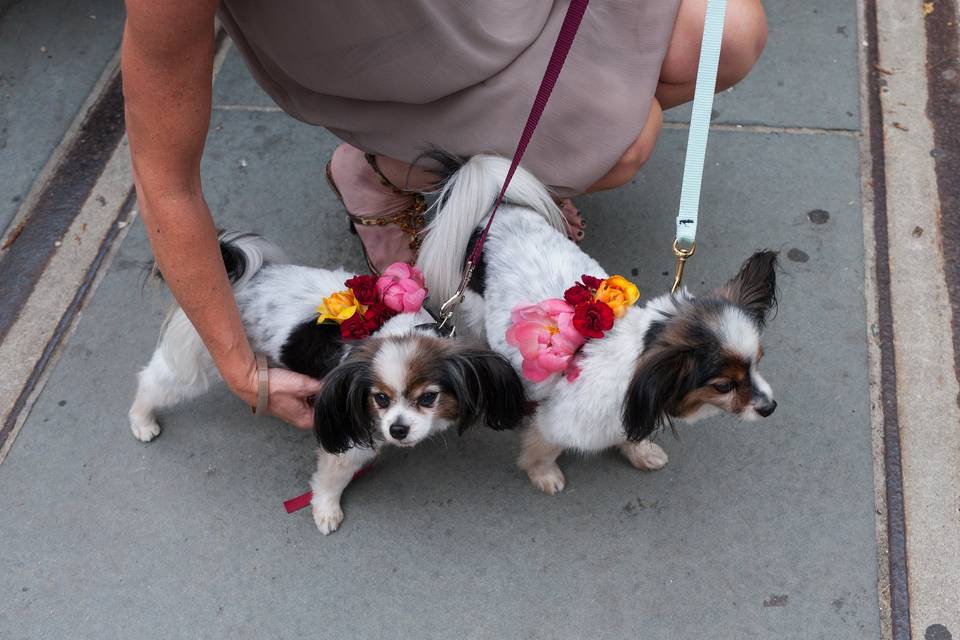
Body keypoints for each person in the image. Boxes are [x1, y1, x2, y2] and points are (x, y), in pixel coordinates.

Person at [121, 0, 767, 430]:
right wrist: (240, 367)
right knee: (625, 144)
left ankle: (483, 165)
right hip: (385, 55)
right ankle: (389, 164)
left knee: (731, 33)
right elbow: (163, 180)